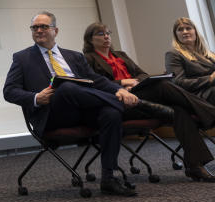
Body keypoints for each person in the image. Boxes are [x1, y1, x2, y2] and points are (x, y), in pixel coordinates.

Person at [3, 11, 139, 195]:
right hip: (51, 114)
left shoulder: (74, 56)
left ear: (56, 30)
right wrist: (36, 97)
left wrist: (119, 90)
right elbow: (9, 91)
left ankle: (109, 178)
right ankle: (135, 106)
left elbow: (95, 80)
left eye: (44, 26)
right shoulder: (22, 58)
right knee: (66, 87)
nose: (39, 30)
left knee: (111, 114)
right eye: (35, 27)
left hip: (81, 111)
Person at [83, 22, 215, 181]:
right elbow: (92, 83)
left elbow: (143, 74)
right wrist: (122, 83)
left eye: (108, 33)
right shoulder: (87, 59)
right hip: (118, 102)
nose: (106, 37)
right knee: (163, 85)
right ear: (90, 40)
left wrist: (136, 81)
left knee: (179, 109)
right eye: (100, 34)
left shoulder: (120, 54)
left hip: (139, 96)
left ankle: (195, 166)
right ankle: (210, 112)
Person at [165, 17, 215, 107]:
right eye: (180, 30)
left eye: (188, 28)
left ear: (195, 31)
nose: (185, 32)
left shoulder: (209, 54)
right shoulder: (173, 54)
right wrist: (210, 78)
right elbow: (178, 82)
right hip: (197, 95)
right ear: (176, 35)